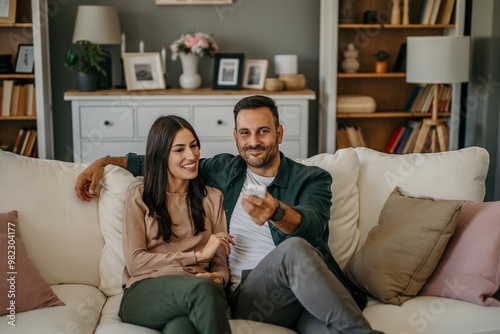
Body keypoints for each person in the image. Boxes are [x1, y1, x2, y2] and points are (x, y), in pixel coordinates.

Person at [76, 96, 381, 333]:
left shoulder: (312, 178)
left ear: (279, 133)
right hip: (252, 295)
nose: (254, 141)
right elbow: (158, 159)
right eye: (245, 133)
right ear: (235, 136)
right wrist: (102, 162)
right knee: (293, 249)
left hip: (304, 291)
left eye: (263, 131)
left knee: (313, 288)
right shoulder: (225, 169)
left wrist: (277, 211)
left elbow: (313, 226)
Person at [118, 115, 233, 334]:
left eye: (194, 146)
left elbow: (220, 262)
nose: (192, 155)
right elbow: (135, 263)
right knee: (202, 290)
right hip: (144, 292)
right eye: (179, 150)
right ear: (161, 157)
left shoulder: (213, 198)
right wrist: (198, 256)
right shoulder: (139, 198)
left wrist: (218, 278)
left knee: (180, 329)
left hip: (196, 289)